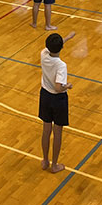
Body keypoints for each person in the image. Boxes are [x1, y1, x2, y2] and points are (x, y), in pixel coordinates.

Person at [39, 31, 75, 173]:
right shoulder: (61, 65)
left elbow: (52, 47)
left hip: (45, 96)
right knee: (57, 132)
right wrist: (68, 86)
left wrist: (66, 38)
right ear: (61, 48)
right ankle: (54, 165)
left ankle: (45, 160)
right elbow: (58, 87)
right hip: (58, 99)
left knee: (46, 129)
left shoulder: (43, 55)